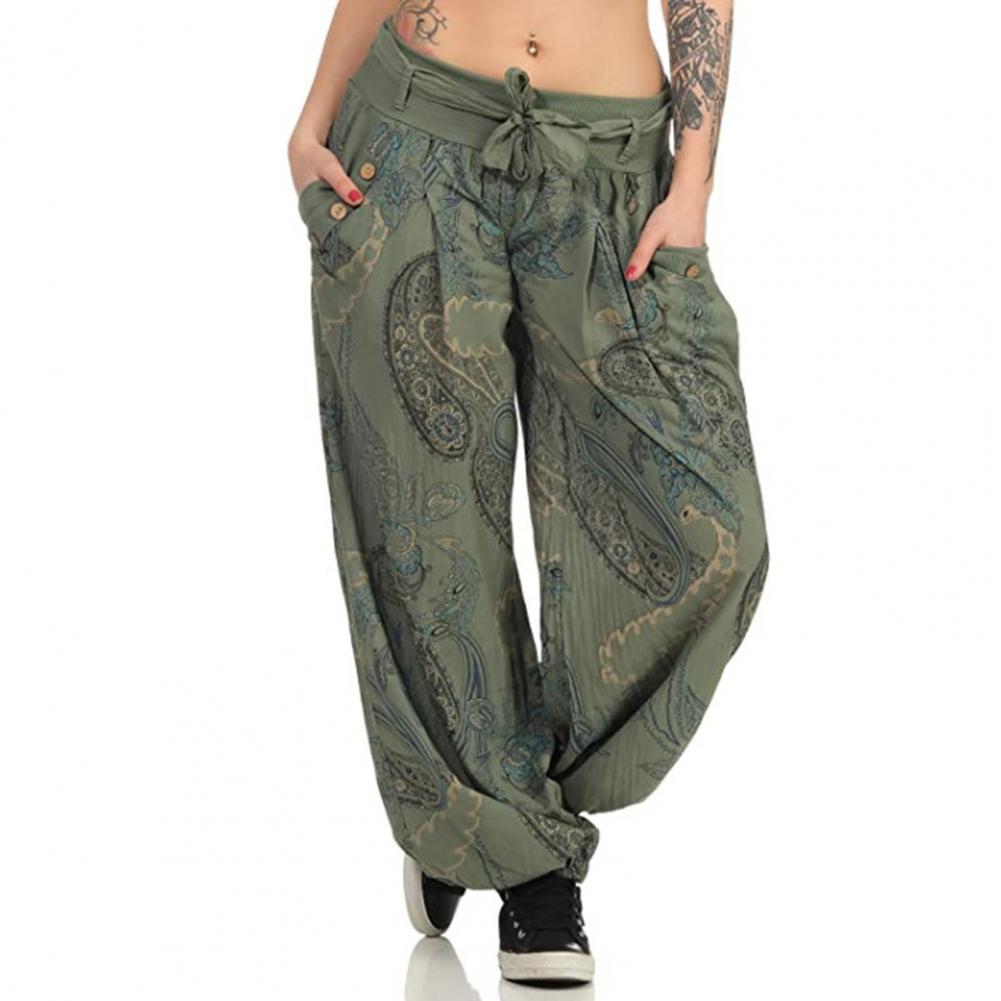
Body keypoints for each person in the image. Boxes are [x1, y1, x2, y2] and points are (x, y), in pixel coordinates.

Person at [288, 1, 768, 986]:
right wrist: (313, 119)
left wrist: (693, 182)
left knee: (716, 534)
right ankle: (524, 858)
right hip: (414, 135)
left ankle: (481, 800)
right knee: (425, 525)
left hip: (610, 165)